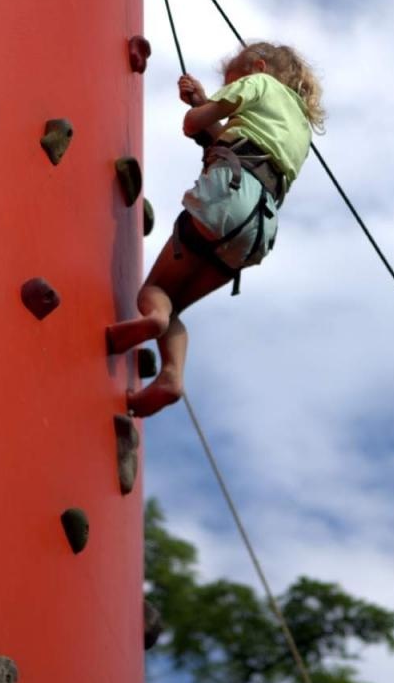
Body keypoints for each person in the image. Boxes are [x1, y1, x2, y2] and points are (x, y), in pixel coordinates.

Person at [106, 41, 327, 417]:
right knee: (176, 306)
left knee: (157, 291)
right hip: (257, 230)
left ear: (258, 67)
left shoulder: (259, 84)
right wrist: (204, 102)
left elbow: (197, 126)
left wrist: (201, 109)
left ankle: (153, 319)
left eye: (233, 81)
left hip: (226, 199)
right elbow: (237, 141)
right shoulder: (300, 129)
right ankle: (171, 377)